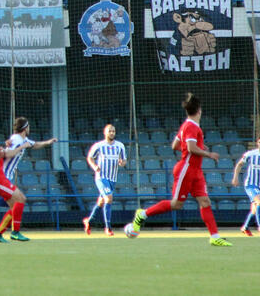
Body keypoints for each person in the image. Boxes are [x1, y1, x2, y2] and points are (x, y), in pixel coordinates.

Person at [126, 93, 231, 246]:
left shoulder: (186, 125)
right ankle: (142, 214)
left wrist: (198, 147)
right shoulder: (190, 126)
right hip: (186, 169)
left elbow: (175, 145)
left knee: (205, 201)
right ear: (199, 110)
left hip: (196, 171)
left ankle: (214, 236)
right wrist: (208, 153)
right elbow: (190, 147)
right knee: (176, 204)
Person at [83, 124, 127, 236]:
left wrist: (122, 163)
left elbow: (124, 160)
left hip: (113, 178)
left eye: (113, 131)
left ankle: (89, 221)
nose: (112, 133)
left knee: (101, 202)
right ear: (105, 133)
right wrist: (95, 167)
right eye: (110, 131)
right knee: (109, 198)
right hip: (101, 177)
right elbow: (89, 157)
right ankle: (108, 228)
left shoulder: (120, 146)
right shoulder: (99, 146)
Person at [231, 138, 260, 236]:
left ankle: (245, 227)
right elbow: (239, 164)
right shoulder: (251, 154)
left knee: (255, 209)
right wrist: (235, 178)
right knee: (259, 201)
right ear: (257, 143)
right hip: (251, 184)